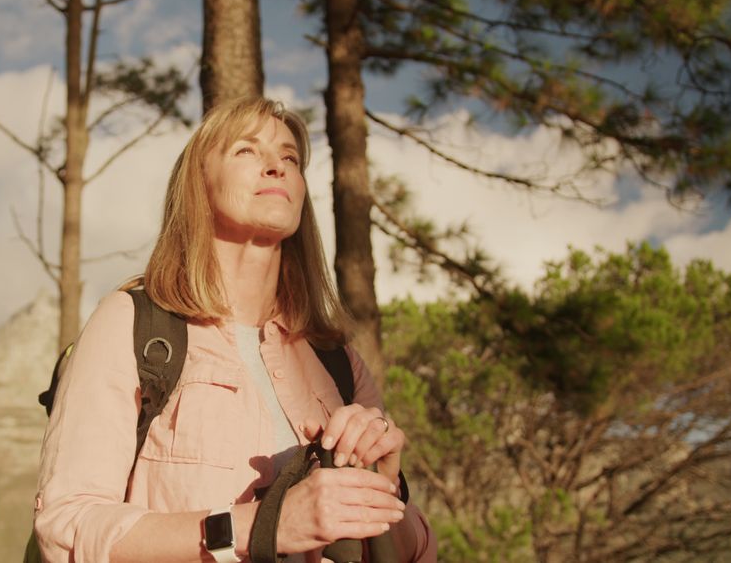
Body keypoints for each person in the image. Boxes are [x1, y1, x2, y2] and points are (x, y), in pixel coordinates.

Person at [33, 96, 436, 562]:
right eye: (247, 151)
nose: (276, 167)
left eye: (289, 157)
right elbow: (66, 528)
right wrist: (262, 526)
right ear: (197, 184)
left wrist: (385, 487)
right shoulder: (134, 325)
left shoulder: (337, 360)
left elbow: (417, 553)